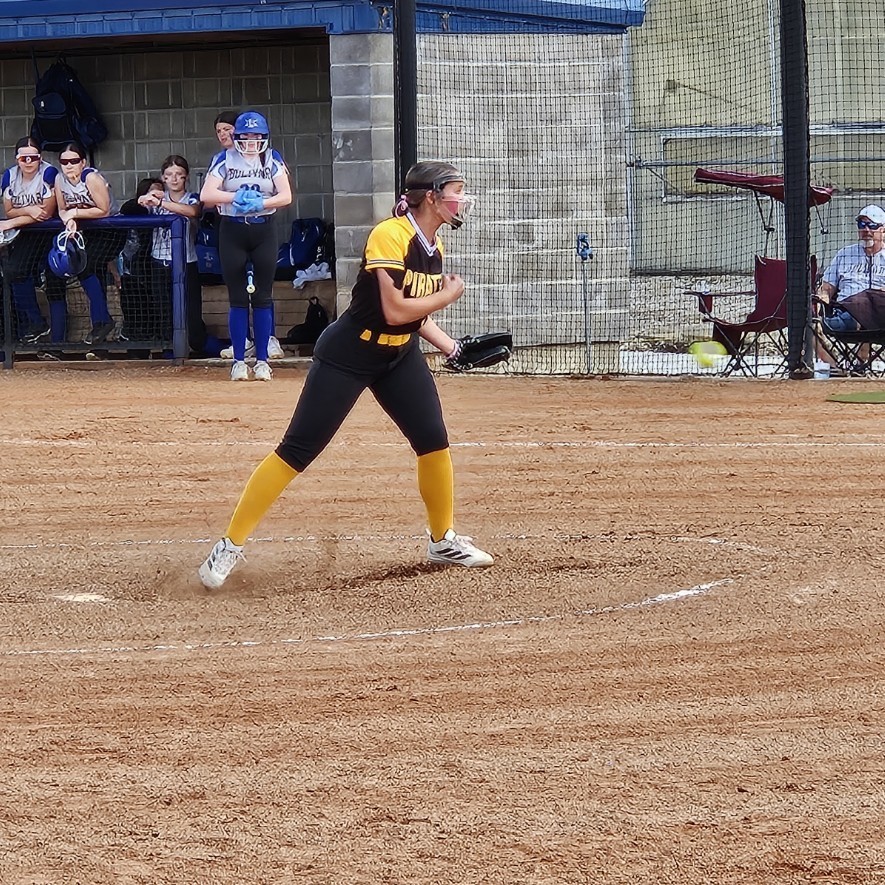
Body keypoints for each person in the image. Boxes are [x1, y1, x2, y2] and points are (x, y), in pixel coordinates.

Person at [199, 160, 492, 590]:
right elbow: (394, 310)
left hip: (398, 355)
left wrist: (452, 347)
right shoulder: (390, 234)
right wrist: (448, 295)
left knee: (433, 440)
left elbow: (412, 318)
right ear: (431, 197)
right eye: (455, 191)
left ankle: (442, 539)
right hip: (349, 353)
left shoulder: (433, 245)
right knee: (297, 450)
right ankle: (229, 545)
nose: (461, 199)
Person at [200, 110, 292, 381]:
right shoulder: (225, 159)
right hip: (233, 229)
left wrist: (262, 202)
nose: (251, 143)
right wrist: (234, 197)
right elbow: (207, 194)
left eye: (257, 137)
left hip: (264, 228)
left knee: (263, 296)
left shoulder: (272, 158)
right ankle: (239, 361)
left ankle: (262, 360)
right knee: (238, 298)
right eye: (246, 137)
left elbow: (286, 195)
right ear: (237, 137)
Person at [55, 142, 127, 345]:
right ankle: (100, 324)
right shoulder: (59, 179)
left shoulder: (91, 177)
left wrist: (75, 213)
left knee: (86, 265)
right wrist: (68, 219)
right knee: (87, 269)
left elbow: (103, 210)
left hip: (111, 229)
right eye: (64, 162)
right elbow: (62, 209)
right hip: (87, 231)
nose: (69, 165)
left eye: (74, 161)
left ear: (83, 162)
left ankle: (103, 320)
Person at [138, 155, 207, 355]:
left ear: (186, 176)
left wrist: (161, 203)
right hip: (160, 261)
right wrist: (143, 199)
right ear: (163, 177)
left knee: (192, 313)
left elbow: (193, 211)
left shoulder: (192, 197)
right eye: (169, 174)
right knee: (164, 310)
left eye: (179, 174)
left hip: (187, 262)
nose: (174, 178)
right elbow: (131, 209)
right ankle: (169, 352)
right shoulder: (156, 196)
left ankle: (197, 349)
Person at [0, 136, 65, 342]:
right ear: (16, 159)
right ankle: (36, 323)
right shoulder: (9, 175)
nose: (28, 162)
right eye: (23, 158)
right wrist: (29, 210)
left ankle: (58, 344)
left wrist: (12, 222)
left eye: (33, 157)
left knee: (55, 281)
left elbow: (46, 212)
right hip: (27, 231)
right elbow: (9, 210)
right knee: (14, 271)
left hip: (51, 230)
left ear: (40, 157)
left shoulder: (49, 172)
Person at [817, 204, 885, 370]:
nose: (866, 230)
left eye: (872, 225)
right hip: (844, 313)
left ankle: (860, 361)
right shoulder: (845, 254)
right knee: (809, 325)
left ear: (883, 230)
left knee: (868, 300)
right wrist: (819, 301)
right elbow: (826, 289)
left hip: (880, 318)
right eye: (862, 225)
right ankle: (835, 367)